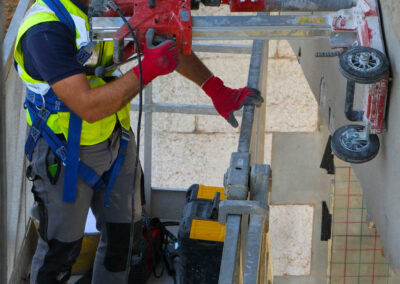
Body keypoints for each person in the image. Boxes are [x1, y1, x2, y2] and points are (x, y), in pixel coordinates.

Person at [14, 0, 263, 282]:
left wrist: (215, 89)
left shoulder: (103, 6)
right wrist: (147, 69)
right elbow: (88, 106)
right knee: (60, 254)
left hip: (116, 141)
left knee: (125, 243)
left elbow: (162, 37)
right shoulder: (45, 30)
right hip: (64, 152)